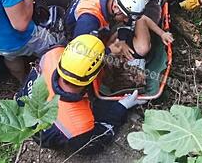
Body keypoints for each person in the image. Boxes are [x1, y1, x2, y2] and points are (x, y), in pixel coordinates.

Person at [15, 34, 146, 154]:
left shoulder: (54, 54)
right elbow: (96, 140)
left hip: (23, 103)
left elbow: (81, 60)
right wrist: (121, 107)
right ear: (92, 77)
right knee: (100, 127)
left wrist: (107, 52)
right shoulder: (79, 125)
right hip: (47, 134)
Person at [64, 0, 173, 62]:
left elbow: (133, 1)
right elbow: (79, 52)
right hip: (76, 28)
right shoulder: (88, 21)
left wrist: (162, 33)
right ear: (115, 8)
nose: (126, 20)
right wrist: (108, 51)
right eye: (126, 17)